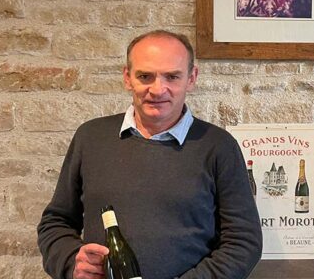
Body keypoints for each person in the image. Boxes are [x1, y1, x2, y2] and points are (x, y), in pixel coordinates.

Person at [37, 30, 263, 279]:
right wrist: (71, 262)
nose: (158, 89)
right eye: (145, 76)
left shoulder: (218, 146)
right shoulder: (90, 137)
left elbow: (243, 242)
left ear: (191, 78)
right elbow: (55, 222)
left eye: (172, 77)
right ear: (127, 77)